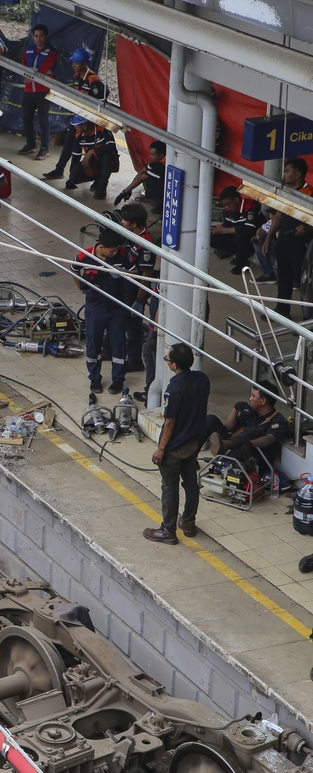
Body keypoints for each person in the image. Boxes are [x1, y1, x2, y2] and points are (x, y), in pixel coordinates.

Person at [145, 342, 209, 545]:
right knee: (190, 483)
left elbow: (170, 422)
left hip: (175, 447)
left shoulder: (175, 388)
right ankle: (188, 522)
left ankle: (168, 530)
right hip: (193, 443)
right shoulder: (202, 380)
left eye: (168, 360)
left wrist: (161, 448)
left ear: (174, 365)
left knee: (170, 489)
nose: (167, 362)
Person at [73, 227, 137, 393]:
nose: (115, 253)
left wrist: (124, 274)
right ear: (101, 246)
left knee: (119, 345)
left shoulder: (122, 254)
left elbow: (135, 272)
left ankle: (118, 380)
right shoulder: (84, 255)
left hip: (117, 308)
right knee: (93, 345)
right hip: (95, 308)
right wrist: (81, 287)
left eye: (116, 249)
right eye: (112, 250)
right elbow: (73, 268)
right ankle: (94, 379)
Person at [42, 48, 107, 180]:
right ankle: (61, 170)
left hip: (89, 122)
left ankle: (93, 177)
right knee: (70, 143)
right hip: (80, 118)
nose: (73, 65)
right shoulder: (77, 76)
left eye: (76, 63)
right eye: (73, 62)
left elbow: (99, 103)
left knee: (91, 148)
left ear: (85, 63)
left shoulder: (93, 80)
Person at [262, 157, 313, 319]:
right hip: (283, 242)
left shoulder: (310, 193)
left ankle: (309, 317)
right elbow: (277, 216)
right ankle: (282, 310)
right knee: (283, 278)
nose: (284, 174)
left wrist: (307, 228)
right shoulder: (286, 192)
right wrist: (268, 238)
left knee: (303, 281)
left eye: (287, 171)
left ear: (297, 175)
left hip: (299, 244)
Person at [119, 202, 157, 374]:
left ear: (134, 224)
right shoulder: (131, 235)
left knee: (133, 328)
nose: (122, 222)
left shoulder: (145, 243)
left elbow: (146, 275)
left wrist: (139, 300)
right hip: (125, 287)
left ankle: (135, 361)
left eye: (124, 220)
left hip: (134, 293)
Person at [204, 385, 288, 461]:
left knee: (256, 431)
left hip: (248, 455)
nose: (250, 399)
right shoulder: (251, 413)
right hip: (231, 449)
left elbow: (269, 439)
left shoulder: (278, 420)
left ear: (263, 400)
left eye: (253, 396)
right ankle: (196, 451)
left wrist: (250, 444)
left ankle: (226, 444)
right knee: (211, 419)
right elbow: (228, 428)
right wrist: (236, 409)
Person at [18, 23, 57, 161]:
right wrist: (26, 76)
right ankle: (31, 144)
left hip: (43, 90)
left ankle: (44, 148)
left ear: (46, 36)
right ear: (32, 36)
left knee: (43, 120)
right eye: (36, 36)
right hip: (29, 90)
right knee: (26, 118)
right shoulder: (28, 49)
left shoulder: (52, 51)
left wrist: (31, 77)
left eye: (41, 36)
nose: (38, 39)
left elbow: (45, 67)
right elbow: (23, 65)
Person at [210, 186, 263, 274]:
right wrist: (217, 229)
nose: (226, 207)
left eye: (228, 204)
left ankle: (243, 263)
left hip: (252, 239)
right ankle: (238, 254)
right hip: (238, 238)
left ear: (236, 199)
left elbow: (248, 229)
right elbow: (226, 224)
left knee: (240, 235)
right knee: (212, 237)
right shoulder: (230, 209)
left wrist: (224, 230)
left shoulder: (249, 206)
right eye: (224, 205)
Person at [66, 117, 119, 200]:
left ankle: (102, 185)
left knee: (108, 156)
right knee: (74, 176)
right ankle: (97, 179)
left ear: (84, 126)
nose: (75, 127)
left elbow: (111, 147)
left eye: (77, 125)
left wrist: (91, 152)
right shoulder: (78, 135)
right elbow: (76, 156)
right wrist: (72, 177)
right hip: (93, 163)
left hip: (107, 162)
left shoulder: (102, 130)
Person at [114, 140, 166, 205]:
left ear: (161, 156)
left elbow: (140, 179)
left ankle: (161, 204)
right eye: (150, 154)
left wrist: (124, 193)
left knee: (149, 180)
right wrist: (130, 189)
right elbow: (142, 171)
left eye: (153, 155)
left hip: (166, 189)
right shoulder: (155, 163)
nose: (150, 156)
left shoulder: (160, 166)